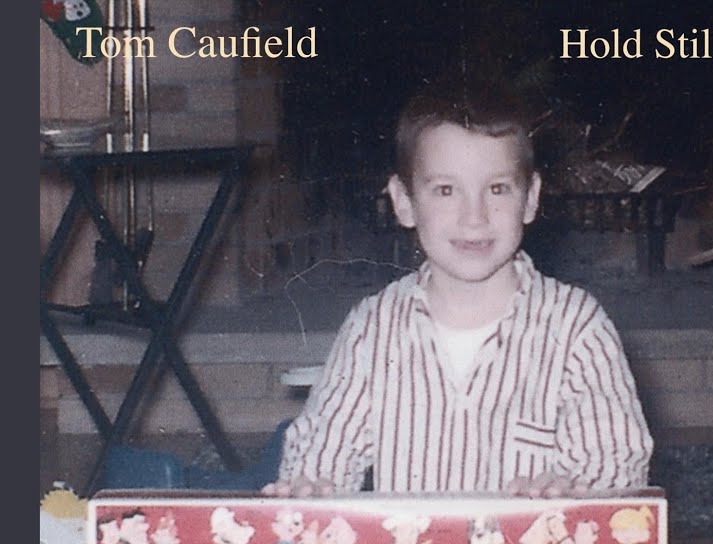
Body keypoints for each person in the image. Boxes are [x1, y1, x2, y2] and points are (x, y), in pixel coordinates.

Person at [264, 78, 653, 498]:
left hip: (535, 543)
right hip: (412, 543)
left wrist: (573, 491)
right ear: (404, 202)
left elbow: (616, 466)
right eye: (446, 190)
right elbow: (320, 457)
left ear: (531, 198)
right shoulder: (372, 329)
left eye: (497, 188)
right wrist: (309, 488)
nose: (475, 217)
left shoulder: (577, 328)